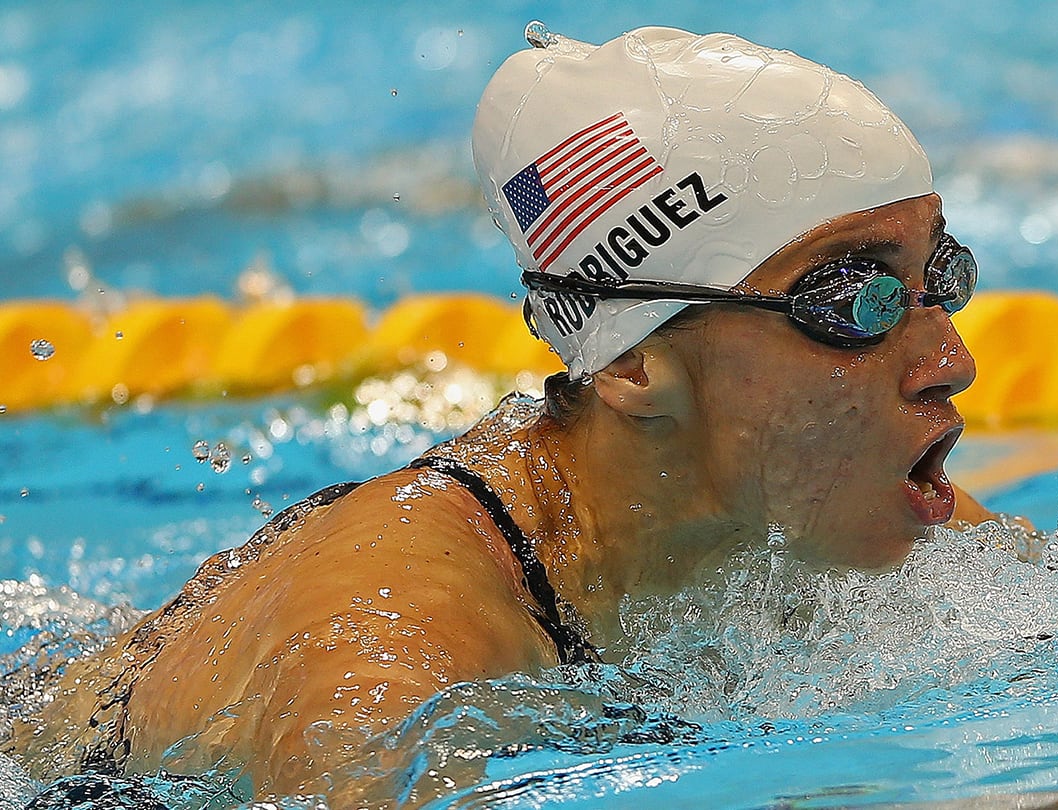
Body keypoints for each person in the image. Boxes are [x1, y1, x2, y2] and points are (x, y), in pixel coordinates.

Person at [4, 25, 998, 799]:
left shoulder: (839, 512)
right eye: (852, 301)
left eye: (939, 276)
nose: (951, 362)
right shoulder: (389, 648)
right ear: (637, 363)